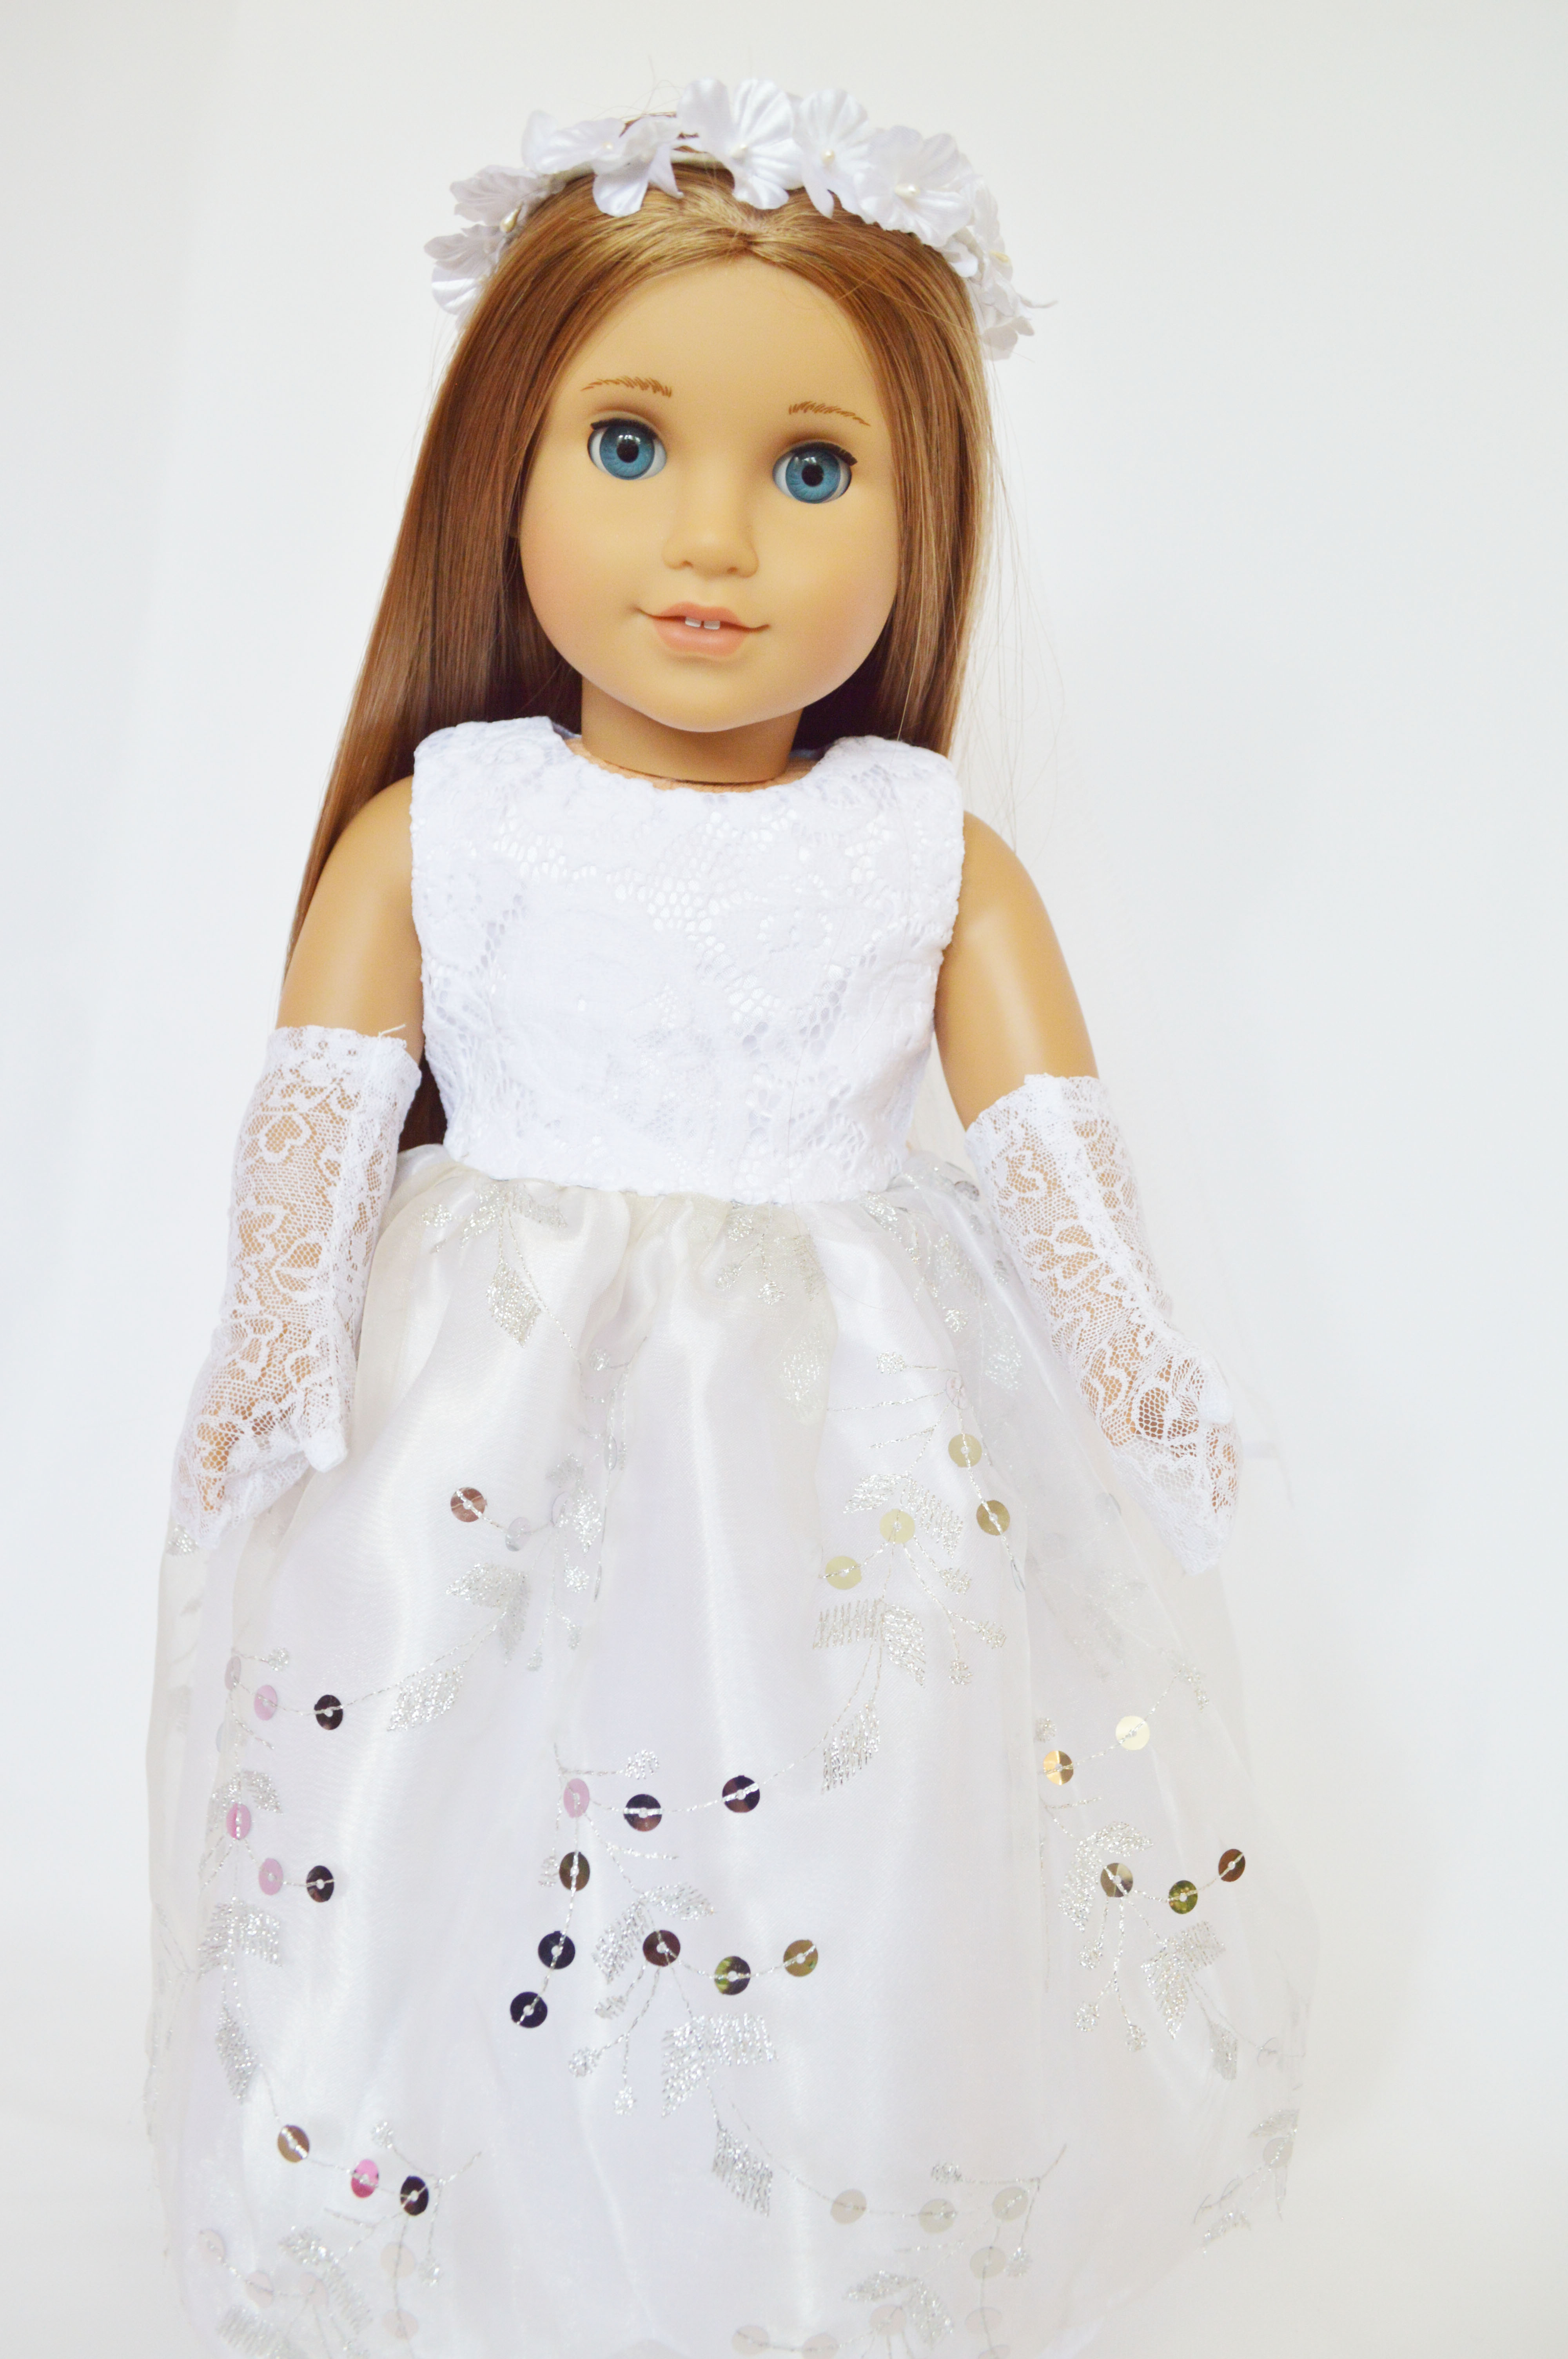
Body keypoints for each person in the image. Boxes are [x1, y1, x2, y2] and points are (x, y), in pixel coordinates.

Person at [147, 81, 1310, 2359]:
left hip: (843, 1443)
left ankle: (793, 2247)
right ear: (503, 466)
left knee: (837, 1824)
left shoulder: (924, 851)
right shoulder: (448, 824)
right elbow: (317, 1119)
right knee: (455, 1801)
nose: (714, 538)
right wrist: (275, 1342)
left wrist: (1136, 1367)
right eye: (627, 446)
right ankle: (456, 2230)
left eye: (812, 471)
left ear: (922, 508)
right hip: (481, 1429)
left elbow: (1052, 1140)